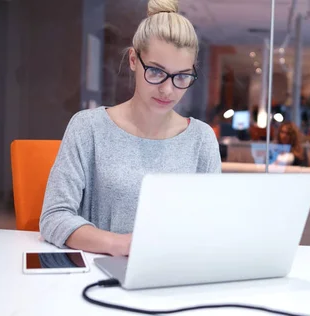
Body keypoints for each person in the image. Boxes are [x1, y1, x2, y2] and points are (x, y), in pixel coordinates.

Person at [39, 0, 221, 257]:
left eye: (182, 76)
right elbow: (54, 217)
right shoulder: (88, 128)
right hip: (98, 274)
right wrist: (121, 245)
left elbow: (211, 224)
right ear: (134, 60)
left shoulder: (201, 139)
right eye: (156, 72)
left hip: (173, 273)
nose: (168, 90)